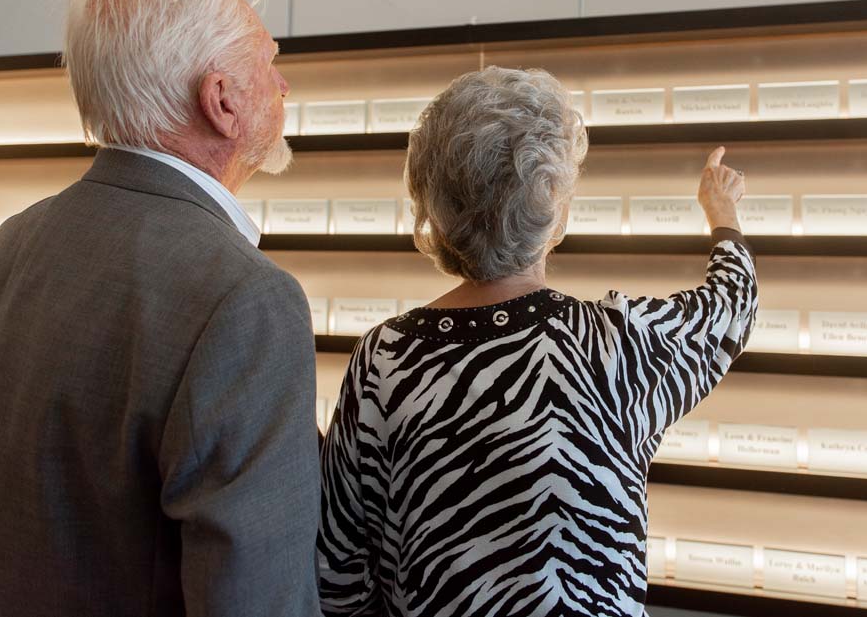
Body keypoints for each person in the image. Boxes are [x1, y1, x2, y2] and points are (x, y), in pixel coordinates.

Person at [0, 0, 320, 617]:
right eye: (267, 61)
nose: (281, 82)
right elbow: (257, 599)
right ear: (221, 99)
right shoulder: (245, 300)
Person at [317, 66, 758, 617]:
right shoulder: (615, 344)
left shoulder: (383, 359)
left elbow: (340, 569)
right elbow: (731, 308)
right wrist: (723, 213)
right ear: (553, 206)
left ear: (434, 202)